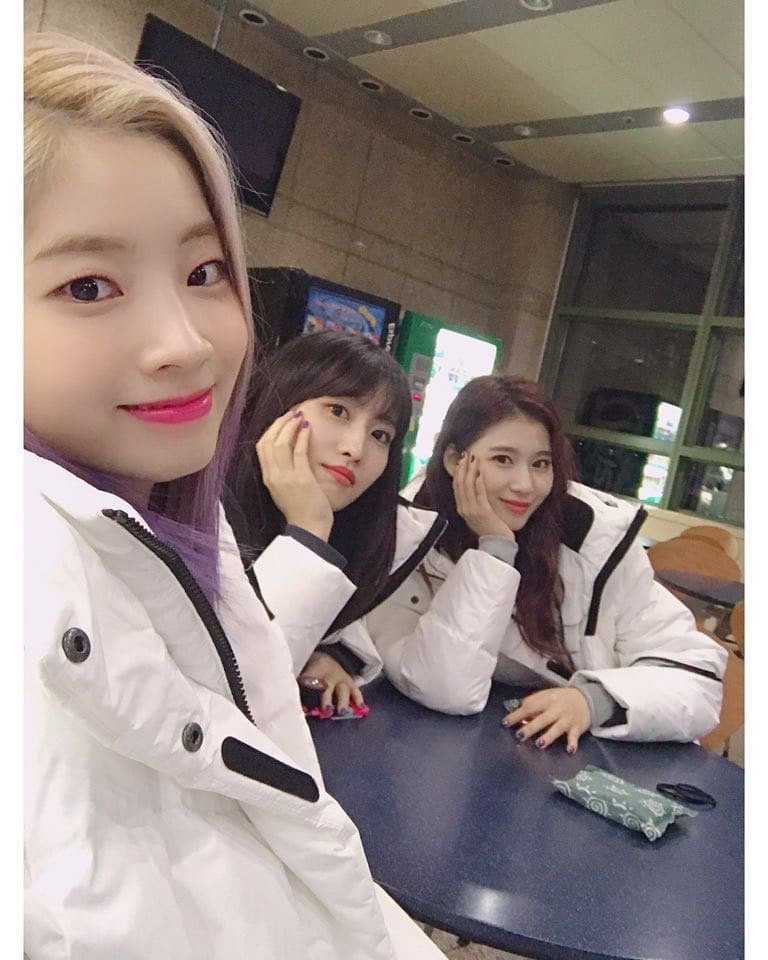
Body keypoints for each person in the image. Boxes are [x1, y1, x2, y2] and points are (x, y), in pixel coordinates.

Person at [23, 32, 446, 959]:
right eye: (89, 285)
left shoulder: (179, 515)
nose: (185, 341)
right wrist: (308, 539)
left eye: (204, 272)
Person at [366, 375, 727, 749]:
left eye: (541, 464)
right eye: (503, 459)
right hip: (463, 752)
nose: (525, 484)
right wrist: (494, 550)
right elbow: (444, 688)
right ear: (456, 460)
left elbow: (697, 677)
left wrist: (593, 700)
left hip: (595, 759)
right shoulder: (408, 541)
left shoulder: (596, 542)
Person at [226, 330, 446, 714]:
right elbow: (232, 691)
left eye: (380, 435)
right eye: (338, 411)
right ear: (281, 399)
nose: (355, 448)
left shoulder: (374, 534)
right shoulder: (187, 507)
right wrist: (308, 531)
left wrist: (326, 650)